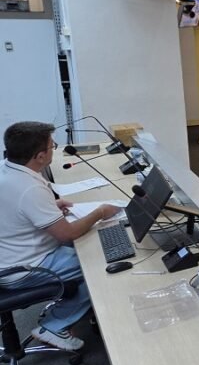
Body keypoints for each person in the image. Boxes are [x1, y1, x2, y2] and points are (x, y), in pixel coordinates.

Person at [0, 122, 121, 351]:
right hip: (22, 269)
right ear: (40, 156)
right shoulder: (29, 188)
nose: (54, 148)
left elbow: (14, 209)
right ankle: (54, 326)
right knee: (99, 266)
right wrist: (100, 212)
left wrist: (48, 207)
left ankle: (76, 310)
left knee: (91, 246)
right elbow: (68, 234)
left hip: (9, 256)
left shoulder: (6, 169)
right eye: (51, 146)